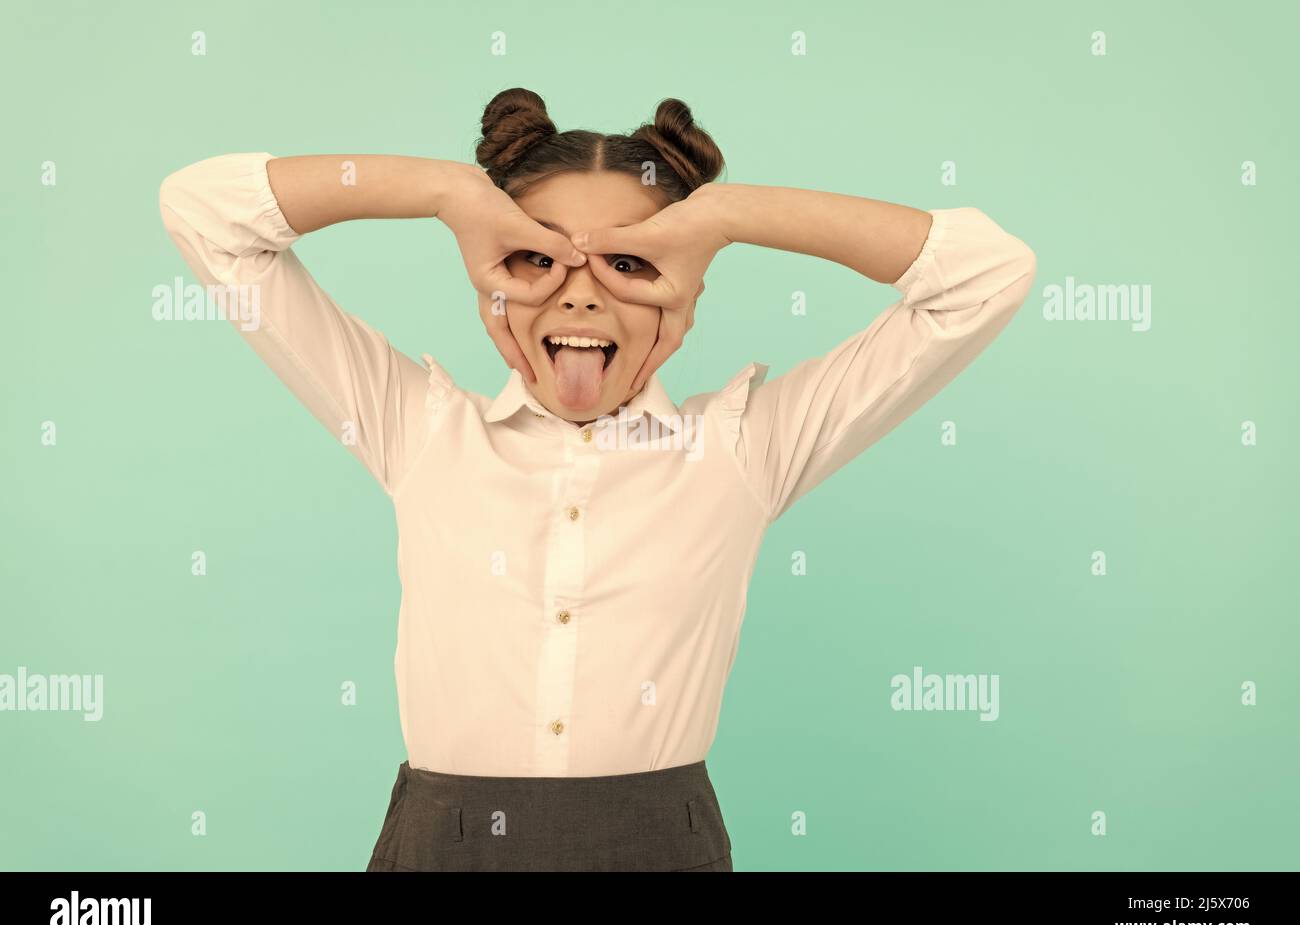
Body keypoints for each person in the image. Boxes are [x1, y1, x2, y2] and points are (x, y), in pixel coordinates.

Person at [158, 87, 1037, 871]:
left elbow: (985, 275)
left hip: (660, 847)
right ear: (486, 279)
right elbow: (204, 214)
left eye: (630, 263)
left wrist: (725, 216)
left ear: (688, 287)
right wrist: (446, 193)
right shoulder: (415, 426)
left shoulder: (742, 449)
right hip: (443, 848)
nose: (579, 297)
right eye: (535, 257)